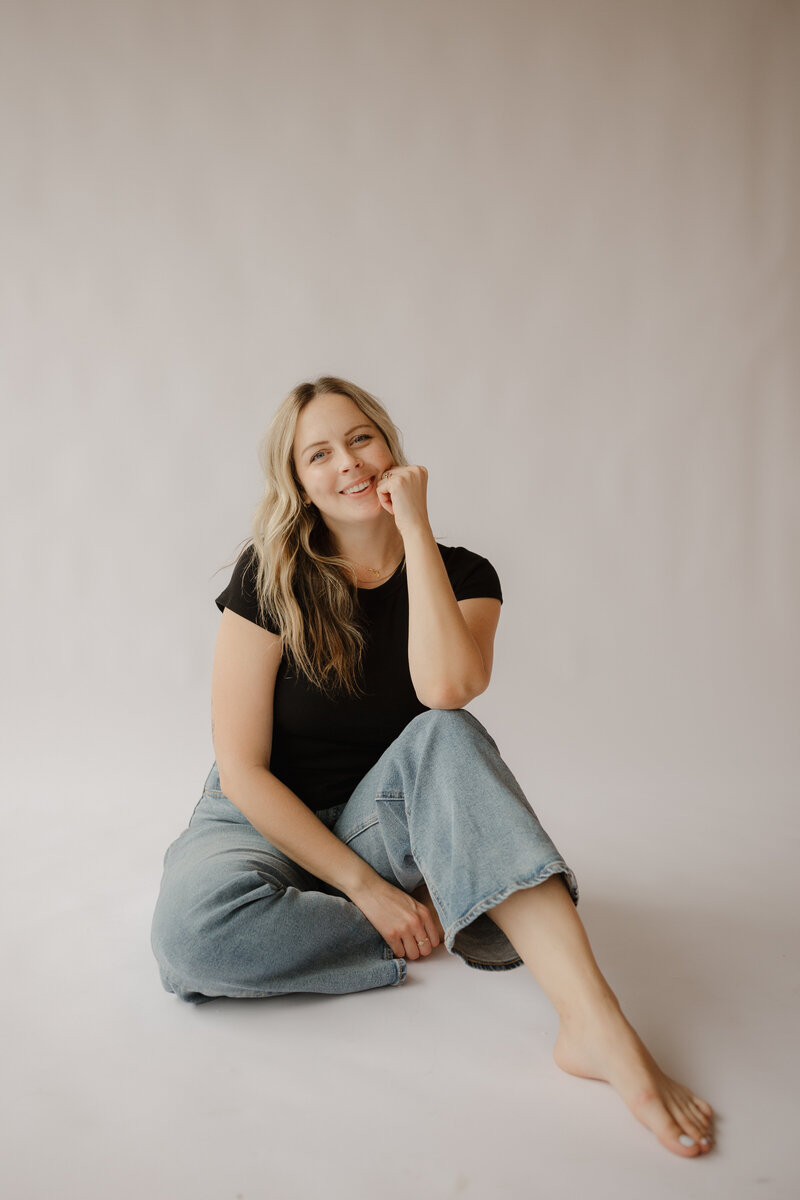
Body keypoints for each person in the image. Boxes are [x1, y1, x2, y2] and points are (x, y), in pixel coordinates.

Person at [151, 376, 714, 1158]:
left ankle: (597, 1026)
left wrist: (413, 529)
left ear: (389, 445)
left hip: (383, 815)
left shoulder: (467, 575)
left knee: (447, 732)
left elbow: (445, 690)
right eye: (318, 454)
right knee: (192, 938)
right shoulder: (269, 574)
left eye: (360, 439)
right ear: (299, 483)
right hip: (259, 818)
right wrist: (370, 892)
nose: (347, 463)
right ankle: (456, 901)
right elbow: (243, 770)